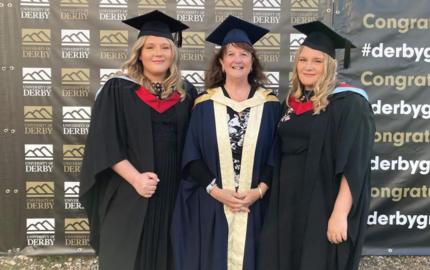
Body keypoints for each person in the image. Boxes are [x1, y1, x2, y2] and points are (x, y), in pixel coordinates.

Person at [79, 10, 197, 270]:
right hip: (128, 190)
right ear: (139, 53)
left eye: (165, 47)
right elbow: (104, 142)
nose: (158, 53)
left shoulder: (186, 93)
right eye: (150, 47)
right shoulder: (118, 89)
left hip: (172, 191)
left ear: (173, 53)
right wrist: (136, 179)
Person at [258, 20, 375, 270]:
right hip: (284, 204)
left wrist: (340, 214)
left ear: (330, 65)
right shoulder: (289, 103)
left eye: (317, 61)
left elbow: (355, 165)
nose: (308, 67)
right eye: (303, 60)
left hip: (322, 205)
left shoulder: (349, 103)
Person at [171, 16, 281, 270]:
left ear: (253, 62)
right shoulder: (204, 104)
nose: (238, 60)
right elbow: (192, 155)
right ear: (221, 62)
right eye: (231, 54)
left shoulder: (270, 104)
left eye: (244, 54)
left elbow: (277, 154)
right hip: (213, 204)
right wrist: (217, 192)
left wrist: (259, 191)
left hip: (256, 204)